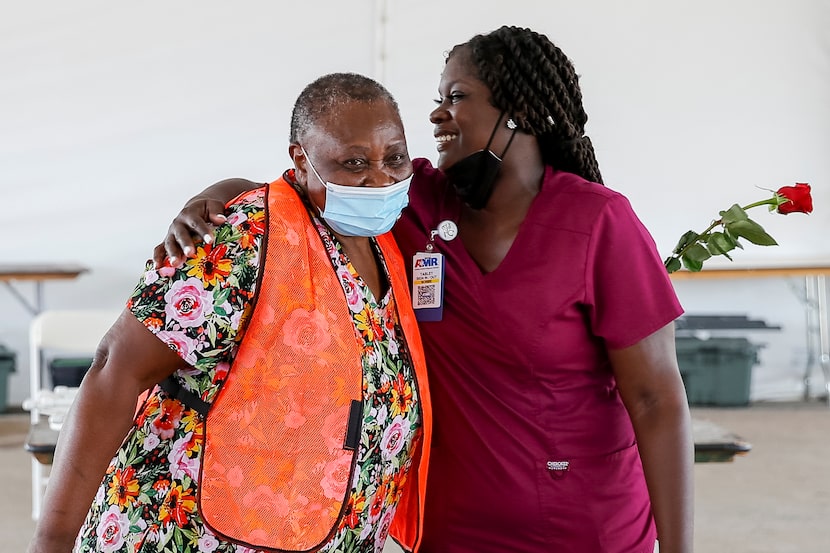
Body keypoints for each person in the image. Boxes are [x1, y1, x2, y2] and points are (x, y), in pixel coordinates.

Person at [155, 26, 693, 553]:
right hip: (449, 528)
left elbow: (655, 399)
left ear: (520, 110)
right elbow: (300, 188)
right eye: (437, 98)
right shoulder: (410, 201)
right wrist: (213, 195)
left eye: (456, 97)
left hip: (583, 528)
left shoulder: (599, 222)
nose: (436, 114)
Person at [27, 73, 433, 553]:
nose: (381, 179)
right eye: (354, 162)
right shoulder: (246, 235)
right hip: (188, 532)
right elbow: (114, 369)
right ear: (301, 160)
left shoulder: (387, 243)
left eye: (395, 157)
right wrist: (52, 541)